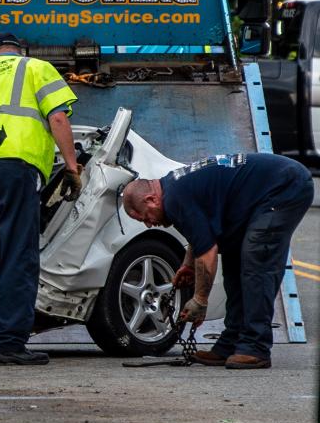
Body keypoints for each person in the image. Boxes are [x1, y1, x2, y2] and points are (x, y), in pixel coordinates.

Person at [0, 32, 82, 365]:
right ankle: (8, 342)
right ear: (19, 51)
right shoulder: (36, 67)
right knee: (18, 254)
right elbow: (57, 118)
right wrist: (71, 166)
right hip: (17, 166)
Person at [122, 153, 314, 369]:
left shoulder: (174, 199)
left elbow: (208, 252)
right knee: (233, 263)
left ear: (151, 200)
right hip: (263, 191)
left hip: (284, 185)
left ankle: (256, 347)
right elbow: (200, 235)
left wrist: (200, 300)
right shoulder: (173, 190)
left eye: (145, 217)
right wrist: (188, 265)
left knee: (257, 259)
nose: (149, 224)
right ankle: (230, 343)